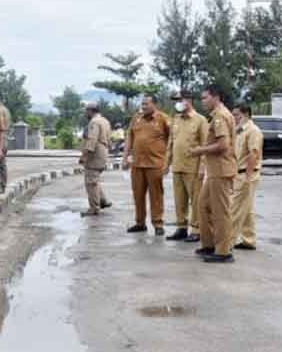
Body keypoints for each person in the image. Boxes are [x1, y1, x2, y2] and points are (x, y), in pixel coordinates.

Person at [189, 84, 238, 263]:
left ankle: (224, 251)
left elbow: (223, 145)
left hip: (222, 170)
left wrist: (200, 150)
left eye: (205, 98)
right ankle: (209, 244)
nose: (203, 102)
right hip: (214, 170)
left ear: (215, 97)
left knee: (220, 211)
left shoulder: (220, 116)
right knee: (203, 206)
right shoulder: (217, 115)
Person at [164, 90, 209, 242]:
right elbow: (171, 143)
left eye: (179, 99)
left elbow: (205, 145)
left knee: (195, 200)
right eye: (175, 100)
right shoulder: (176, 119)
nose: (176, 103)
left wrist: (203, 167)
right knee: (179, 200)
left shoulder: (200, 120)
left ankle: (196, 229)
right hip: (177, 166)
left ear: (188, 100)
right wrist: (167, 163)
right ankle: (181, 227)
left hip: (193, 167)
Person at [122, 94, 170, 235]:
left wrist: (168, 161)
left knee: (156, 196)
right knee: (137, 195)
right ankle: (140, 223)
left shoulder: (163, 118)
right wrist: (125, 158)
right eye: (142, 104)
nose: (143, 106)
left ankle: (158, 224)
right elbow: (129, 138)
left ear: (155, 104)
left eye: (146, 104)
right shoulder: (136, 118)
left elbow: (171, 138)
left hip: (155, 164)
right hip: (137, 164)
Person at [231, 103, 263, 251]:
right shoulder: (240, 131)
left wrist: (248, 178)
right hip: (239, 173)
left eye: (237, 115)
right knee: (247, 209)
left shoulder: (253, 131)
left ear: (246, 114)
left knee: (235, 210)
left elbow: (254, 154)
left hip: (246, 174)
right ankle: (249, 240)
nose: (234, 118)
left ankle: (225, 244)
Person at [80, 102, 112, 216]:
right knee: (95, 180)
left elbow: (92, 141)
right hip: (103, 152)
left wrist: (84, 156)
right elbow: (109, 140)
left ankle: (94, 208)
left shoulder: (94, 122)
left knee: (90, 182)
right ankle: (103, 201)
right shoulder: (105, 121)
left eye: (86, 111)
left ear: (90, 111)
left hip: (95, 155)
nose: (86, 113)